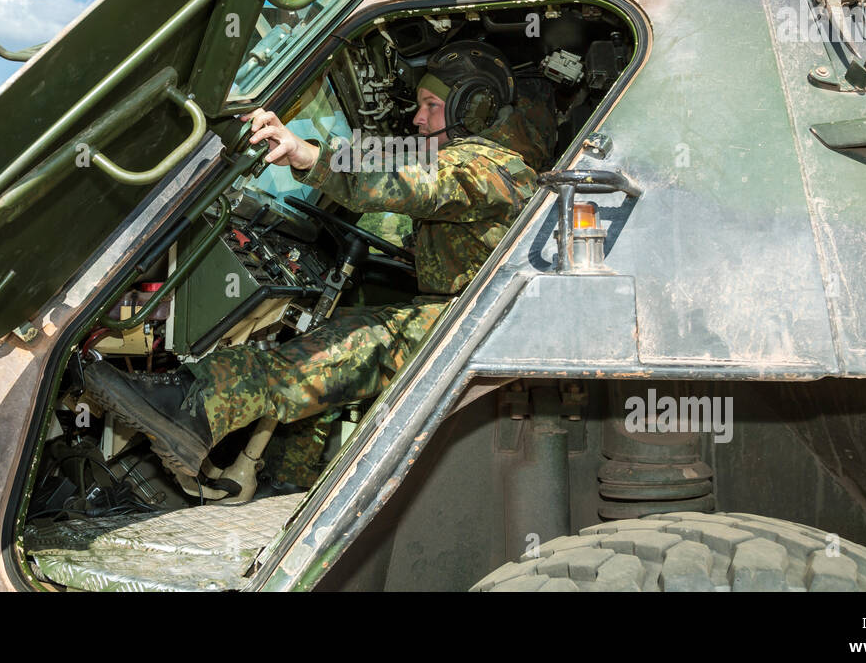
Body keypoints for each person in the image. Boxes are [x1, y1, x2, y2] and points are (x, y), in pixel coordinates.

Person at [81, 43, 545, 482]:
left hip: (483, 321)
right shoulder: (460, 157)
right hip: (468, 313)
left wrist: (309, 155)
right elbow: (384, 158)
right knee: (334, 336)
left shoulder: (494, 165)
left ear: (473, 107)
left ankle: (193, 408)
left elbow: (412, 181)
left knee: (356, 343)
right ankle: (285, 479)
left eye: (431, 106)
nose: (418, 119)